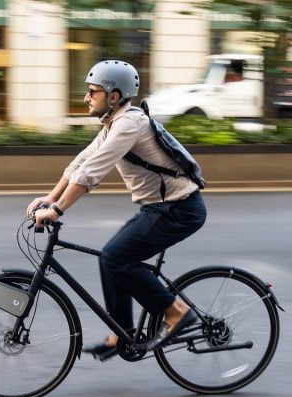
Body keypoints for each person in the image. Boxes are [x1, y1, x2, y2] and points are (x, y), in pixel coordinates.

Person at [26, 60, 207, 359]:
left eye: (92, 92)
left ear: (113, 96)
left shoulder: (128, 124)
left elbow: (92, 173)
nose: (86, 98)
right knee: (109, 258)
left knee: (116, 258)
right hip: (158, 209)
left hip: (179, 210)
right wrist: (49, 197)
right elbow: (80, 163)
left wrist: (57, 210)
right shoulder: (115, 123)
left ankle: (176, 313)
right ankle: (121, 333)